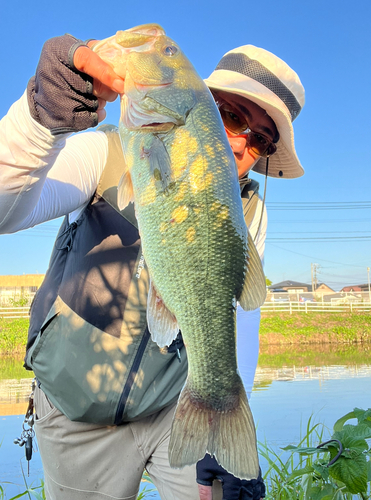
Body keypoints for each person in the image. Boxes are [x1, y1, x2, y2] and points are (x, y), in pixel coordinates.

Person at [0, 30, 305, 500]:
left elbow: (238, 320)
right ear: (199, 104)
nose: (242, 141)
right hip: (78, 408)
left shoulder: (250, 212)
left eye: (261, 138)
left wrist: (221, 442)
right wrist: (42, 118)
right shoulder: (108, 151)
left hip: (174, 404)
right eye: (229, 114)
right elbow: (5, 209)